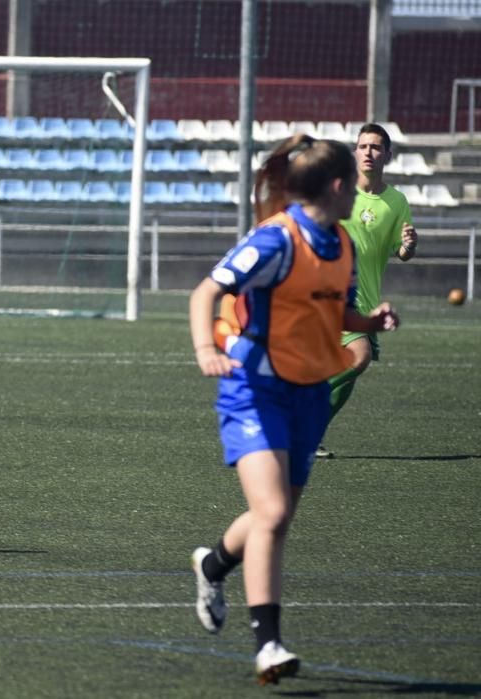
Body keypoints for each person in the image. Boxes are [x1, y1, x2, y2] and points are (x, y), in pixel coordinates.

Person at [186, 134, 400, 685]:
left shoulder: (342, 246)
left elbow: (337, 315)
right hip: (255, 390)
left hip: (307, 391)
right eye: (352, 181)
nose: (360, 189)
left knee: (270, 517)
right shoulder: (275, 241)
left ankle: (212, 566)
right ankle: (269, 646)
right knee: (275, 514)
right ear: (338, 186)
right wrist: (208, 350)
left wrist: (370, 323)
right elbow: (206, 291)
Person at [317, 122, 418, 458]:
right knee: (358, 358)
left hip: (366, 301)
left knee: (353, 370)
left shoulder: (396, 202)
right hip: (330, 296)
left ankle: (308, 434)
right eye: (362, 146)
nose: (368, 152)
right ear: (355, 152)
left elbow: (401, 252)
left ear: (388, 154)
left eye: (375, 147)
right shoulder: (339, 191)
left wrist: (408, 245)